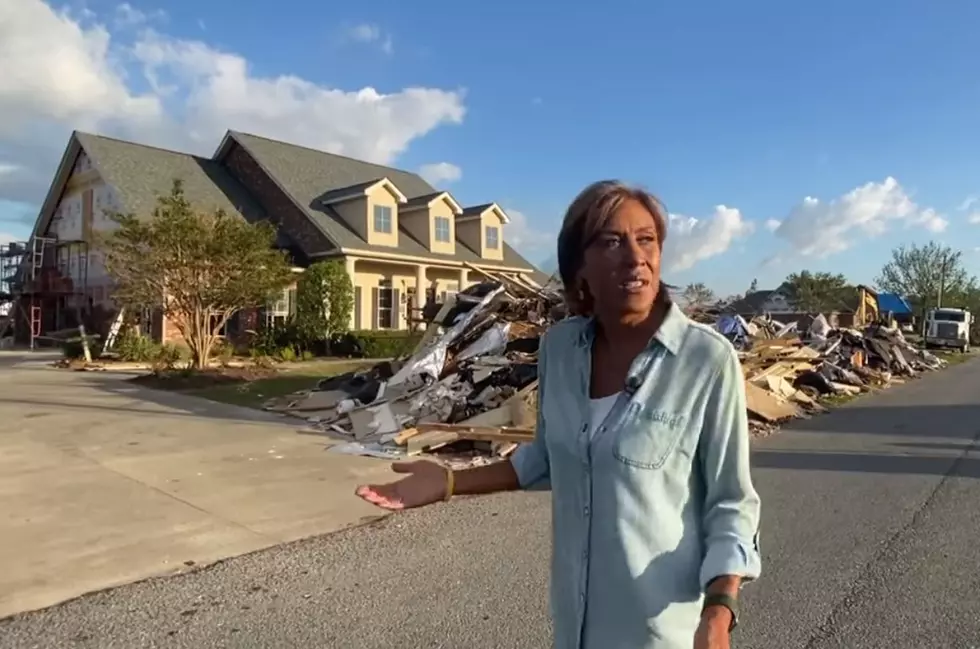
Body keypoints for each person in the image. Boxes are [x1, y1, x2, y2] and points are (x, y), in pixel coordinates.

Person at [356, 180, 762, 649]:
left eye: (646, 238)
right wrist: (448, 482)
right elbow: (547, 457)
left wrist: (718, 612)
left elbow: (732, 502)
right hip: (576, 627)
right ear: (579, 269)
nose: (635, 256)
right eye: (611, 241)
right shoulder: (561, 349)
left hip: (663, 632)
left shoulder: (704, 360)